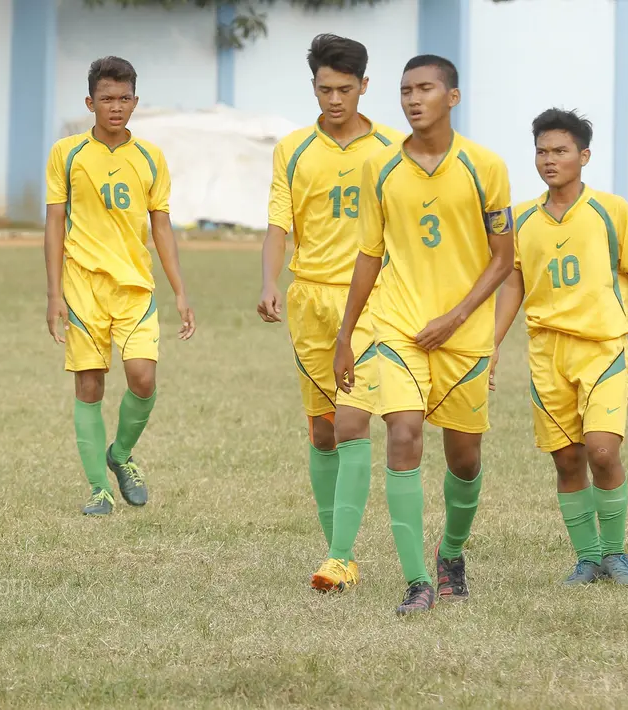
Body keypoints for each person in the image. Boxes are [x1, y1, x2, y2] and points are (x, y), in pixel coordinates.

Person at [334, 55, 514, 615]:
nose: (413, 99)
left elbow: (504, 259)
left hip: (463, 336)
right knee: (404, 434)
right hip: (399, 328)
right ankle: (417, 582)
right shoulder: (381, 169)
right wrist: (346, 336)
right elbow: (369, 255)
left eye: (426, 89)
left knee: (463, 459)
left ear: (452, 97)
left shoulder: (486, 166)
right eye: (406, 90)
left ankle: (451, 552)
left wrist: (457, 317)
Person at [493, 108, 628, 587]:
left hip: (603, 348)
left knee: (602, 452)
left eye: (560, 151)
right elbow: (512, 284)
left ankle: (615, 553)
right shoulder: (521, 219)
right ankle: (587, 558)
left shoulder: (611, 211)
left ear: (584, 156)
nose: (549, 160)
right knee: (567, 459)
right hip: (547, 354)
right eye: (542, 151)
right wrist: (490, 346)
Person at [258, 34, 403, 592]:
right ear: (313, 86)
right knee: (321, 430)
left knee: (351, 423)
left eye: (345, 89)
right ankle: (337, 550)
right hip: (309, 299)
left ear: (365, 86)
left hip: (371, 299)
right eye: (325, 89)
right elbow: (280, 224)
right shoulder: (292, 149)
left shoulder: (393, 148)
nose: (335, 99)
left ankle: (339, 559)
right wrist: (270, 279)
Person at [44, 56, 195, 516]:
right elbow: (53, 226)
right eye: (106, 98)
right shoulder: (66, 153)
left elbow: (162, 227)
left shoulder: (150, 157)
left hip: (135, 288)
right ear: (90, 102)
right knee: (89, 386)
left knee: (143, 379)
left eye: (124, 98)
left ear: (135, 102)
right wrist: (54, 295)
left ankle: (121, 454)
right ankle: (99, 491)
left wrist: (181, 291)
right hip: (83, 287)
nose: (115, 107)